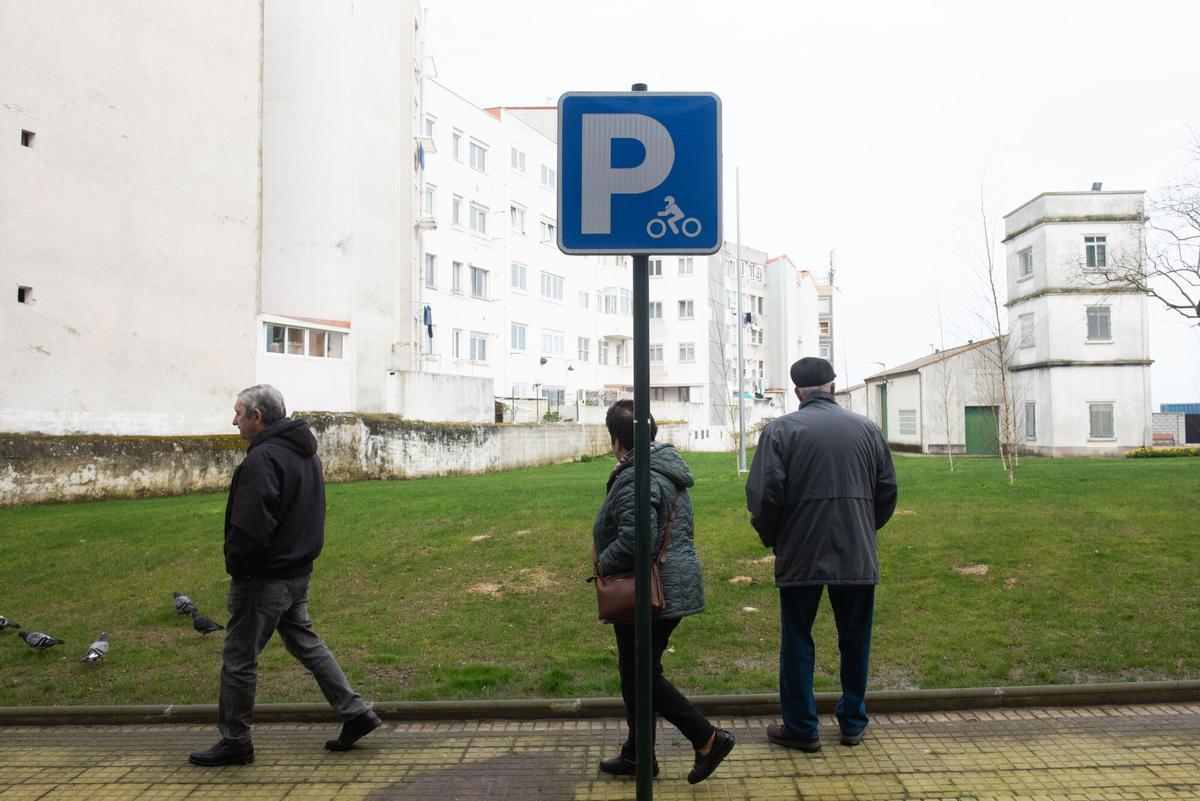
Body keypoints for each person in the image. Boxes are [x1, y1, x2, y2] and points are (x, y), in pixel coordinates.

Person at [189, 384, 381, 766]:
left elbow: (251, 526)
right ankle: (355, 712)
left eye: (239, 413)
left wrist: (240, 568)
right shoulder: (303, 453)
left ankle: (236, 740)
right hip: (297, 572)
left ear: (257, 417)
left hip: (265, 578)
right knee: (303, 641)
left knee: (239, 657)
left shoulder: (263, 459)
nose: (234, 420)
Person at [745, 358, 898, 752]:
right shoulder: (868, 430)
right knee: (855, 639)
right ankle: (852, 723)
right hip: (857, 551)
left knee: (797, 639)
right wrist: (863, 527)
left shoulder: (780, 431)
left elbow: (764, 498)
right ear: (833, 387)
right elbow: (887, 492)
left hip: (800, 552)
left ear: (798, 393)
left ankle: (802, 727)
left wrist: (774, 538)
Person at [592, 400, 735, 784]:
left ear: (617, 439)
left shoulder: (638, 475)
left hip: (651, 591)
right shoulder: (661, 467)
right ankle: (638, 754)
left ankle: (707, 739)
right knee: (637, 672)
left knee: (641, 675)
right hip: (672, 583)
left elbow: (636, 541)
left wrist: (601, 564)